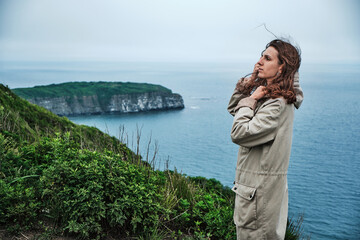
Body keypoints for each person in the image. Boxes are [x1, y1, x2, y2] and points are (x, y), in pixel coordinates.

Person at [227, 39, 303, 240]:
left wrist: (251, 99)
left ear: (281, 68)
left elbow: (239, 132)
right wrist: (251, 84)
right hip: (258, 195)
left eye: (267, 58)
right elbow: (235, 109)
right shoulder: (271, 96)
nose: (258, 62)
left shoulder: (276, 104)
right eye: (261, 55)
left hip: (258, 200)